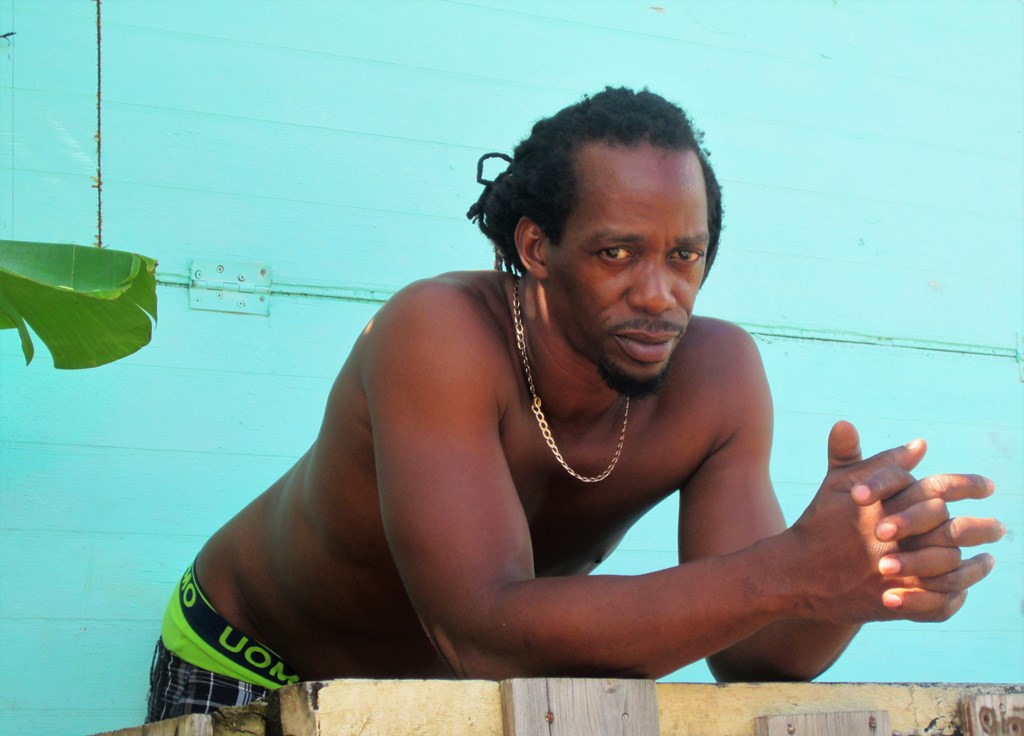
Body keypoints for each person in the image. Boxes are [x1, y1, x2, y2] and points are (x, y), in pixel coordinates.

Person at [146, 87, 1005, 721]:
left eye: (686, 255)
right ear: (537, 247)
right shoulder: (436, 333)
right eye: (617, 252)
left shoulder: (718, 376)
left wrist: (850, 582)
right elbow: (481, 632)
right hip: (252, 658)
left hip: (447, 696)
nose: (661, 293)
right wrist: (788, 571)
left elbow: (751, 653)